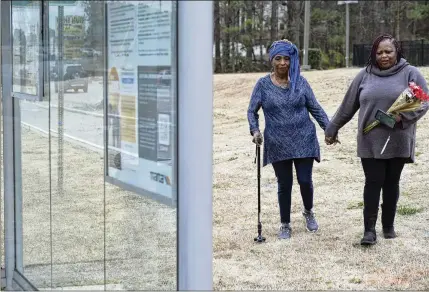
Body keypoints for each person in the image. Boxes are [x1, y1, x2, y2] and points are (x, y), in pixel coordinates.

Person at [325, 34, 429, 246]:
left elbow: (423, 101)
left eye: (388, 51)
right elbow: (348, 106)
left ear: (397, 52)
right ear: (374, 54)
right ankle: (369, 230)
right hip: (370, 140)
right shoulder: (364, 75)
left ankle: (388, 225)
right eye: (379, 52)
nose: (384, 56)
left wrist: (403, 117)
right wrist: (332, 128)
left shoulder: (410, 73)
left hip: (398, 138)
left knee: (391, 182)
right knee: (373, 182)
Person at [247, 39, 331, 240]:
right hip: (278, 142)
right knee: (284, 184)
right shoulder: (263, 85)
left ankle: (308, 212)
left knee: (304, 180)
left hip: (304, 138)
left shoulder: (300, 82)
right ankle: (285, 223)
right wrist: (255, 130)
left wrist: (329, 129)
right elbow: (252, 111)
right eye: (279, 58)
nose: (283, 63)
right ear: (272, 60)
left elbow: (315, 108)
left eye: (287, 58)